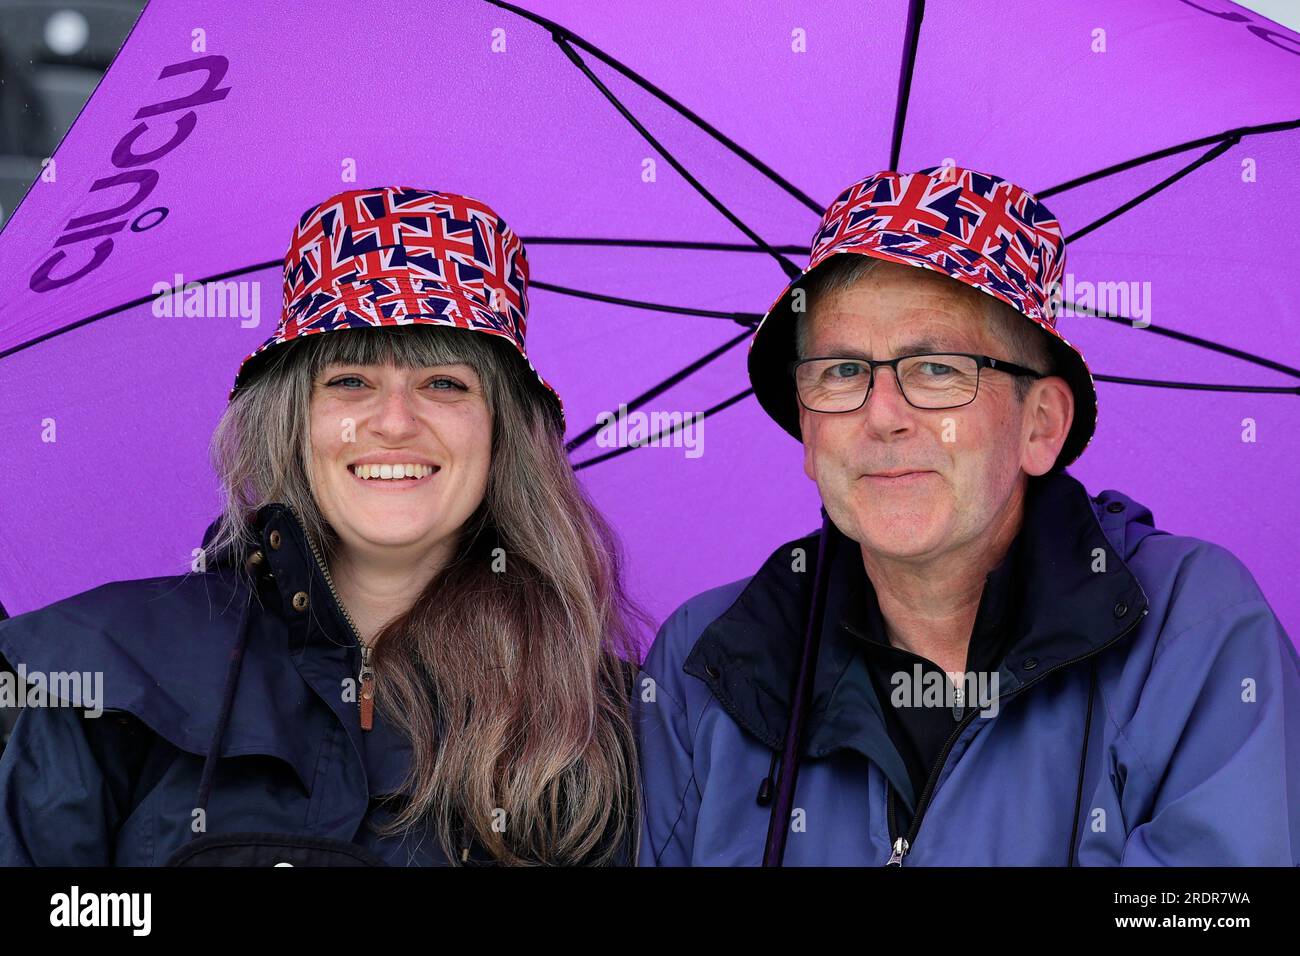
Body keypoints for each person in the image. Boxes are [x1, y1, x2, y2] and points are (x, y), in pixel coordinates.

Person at [635, 167, 1300, 866]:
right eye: (839, 372)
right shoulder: (699, 666)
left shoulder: (1194, 630)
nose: (880, 414)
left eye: (937, 368)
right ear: (808, 432)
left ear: (1040, 425)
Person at [0, 186, 643, 866]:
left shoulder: (596, 722)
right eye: (350, 381)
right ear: (293, 421)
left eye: (445, 385)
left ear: (501, 434)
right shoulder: (115, 665)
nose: (394, 422)